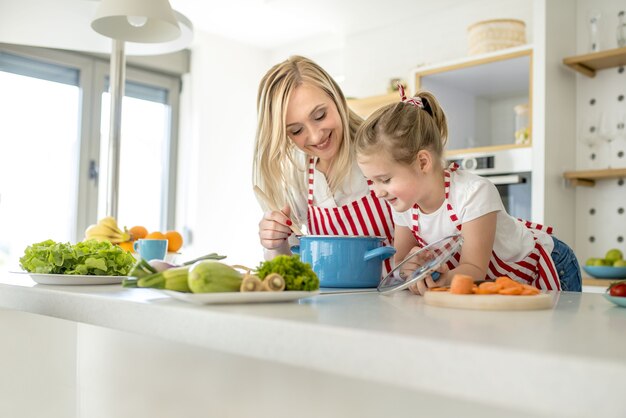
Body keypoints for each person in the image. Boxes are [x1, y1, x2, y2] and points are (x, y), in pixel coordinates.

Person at [355, 86, 581, 294]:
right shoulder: (402, 204)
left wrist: (437, 280)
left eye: (384, 179)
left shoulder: (473, 193)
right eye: (371, 181)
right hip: (488, 281)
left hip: (547, 267)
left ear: (423, 162)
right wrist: (412, 266)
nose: (378, 191)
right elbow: (401, 262)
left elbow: (474, 269)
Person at [252, 56, 395, 274]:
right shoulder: (298, 173)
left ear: (336, 97)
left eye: (320, 115)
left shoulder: (380, 148)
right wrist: (276, 243)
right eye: (296, 131)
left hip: (397, 298)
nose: (316, 136)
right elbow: (287, 271)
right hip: (329, 302)